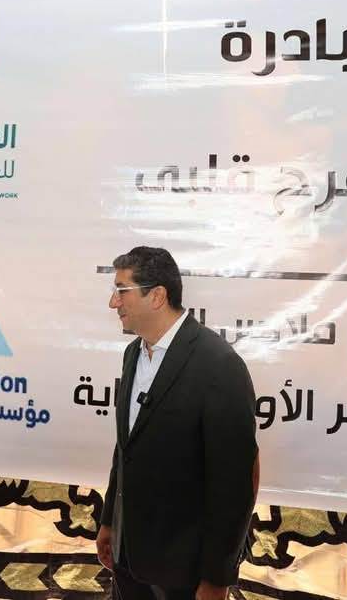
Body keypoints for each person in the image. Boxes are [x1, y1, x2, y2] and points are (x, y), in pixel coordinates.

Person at [96, 247, 258, 600]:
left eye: (122, 290)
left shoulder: (218, 365)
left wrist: (216, 578)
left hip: (182, 573)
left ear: (156, 295)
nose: (113, 302)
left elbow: (234, 486)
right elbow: (127, 449)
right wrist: (110, 520)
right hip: (127, 560)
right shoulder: (133, 353)